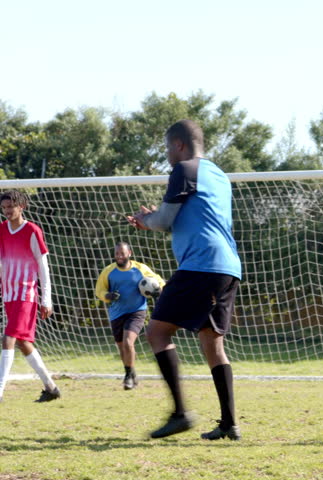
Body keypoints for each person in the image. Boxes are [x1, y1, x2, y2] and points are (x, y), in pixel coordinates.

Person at [128, 119, 242, 441]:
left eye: (167, 147)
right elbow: (191, 216)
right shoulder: (218, 174)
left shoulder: (184, 169)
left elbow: (164, 221)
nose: (167, 154)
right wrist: (155, 218)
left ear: (178, 144)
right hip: (227, 267)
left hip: (201, 266)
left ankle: (180, 414)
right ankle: (229, 423)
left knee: (157, 331)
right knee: (212, 344)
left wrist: (145, 220)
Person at [0, 190, 61, 403]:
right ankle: (51, 387)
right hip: (8, 295)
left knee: (8, 338)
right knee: (23, 343)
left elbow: (43, 266)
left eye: (11, 207)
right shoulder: (1, 230)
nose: (7, 211)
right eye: (4, 207)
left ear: (22, 207)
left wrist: (47, 299)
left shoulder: (32, 230)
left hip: (27, 294)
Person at [94, 241, 166, 390]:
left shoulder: (140, 268)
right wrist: (107, 295)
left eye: (122, 253)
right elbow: (99, 291)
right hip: (116, 313)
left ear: (129, 253)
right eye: (117, 254)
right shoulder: (108, 271)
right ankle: (131, 373)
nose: (119, 256)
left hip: (137, 311)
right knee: (122, 347)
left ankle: (128, 377)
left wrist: (159, 289)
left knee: (128, 342)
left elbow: (158, 280)